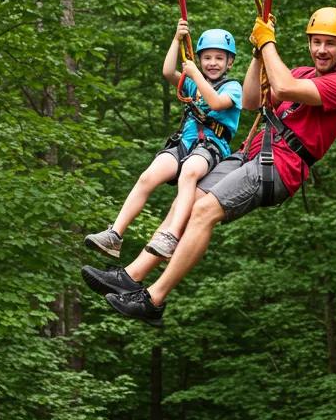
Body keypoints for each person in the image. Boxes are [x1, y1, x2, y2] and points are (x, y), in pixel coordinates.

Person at [81, 7, 336, 326]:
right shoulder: (302, 72)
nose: (322, 50)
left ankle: (154, 299)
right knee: (187, 199)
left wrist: (269, 44)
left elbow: (282, 89)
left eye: (330, 44)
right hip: (251, 154)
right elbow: (253, 100)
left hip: (278, 167)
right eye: (317, 42)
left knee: (203, 211)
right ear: (309, 43)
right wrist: (257, 54)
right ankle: (131, 275)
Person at [84, 19, 242, 261]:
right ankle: (114, 234)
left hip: (211, 146)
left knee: (190, 172)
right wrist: (176, 39)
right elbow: (168, 72)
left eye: (219, 58)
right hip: (184, 143)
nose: (212, 63)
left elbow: (216, 103)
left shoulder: (232, 87)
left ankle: (171, 235)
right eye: (207, 57)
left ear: (229, 62)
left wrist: (195, 75)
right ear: (200, 59)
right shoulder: (192, 83)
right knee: (148, 176)